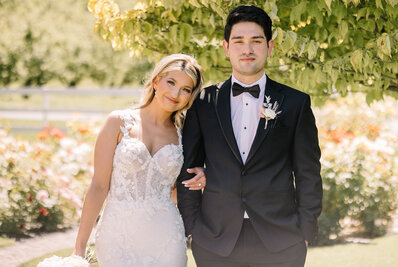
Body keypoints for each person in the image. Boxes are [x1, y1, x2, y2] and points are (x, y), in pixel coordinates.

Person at [177, 5, 322, 267]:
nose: (247, 49)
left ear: (270, 46)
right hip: (214, 240)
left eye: (256, 41)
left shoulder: (295, 103)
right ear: (226, 47)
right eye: (239, 41)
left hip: (281, 240)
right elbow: (188, 167)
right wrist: (193, 229)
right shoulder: (203, 102)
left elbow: (308, 172)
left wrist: (305, 230)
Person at [73, 54, 206, 266]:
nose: (175, 93)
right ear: (155, 81)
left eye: (186, 89)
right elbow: (99, 186)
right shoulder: (118, 122)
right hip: (117, 235)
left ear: (190, 96)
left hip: (166, 236)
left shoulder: (185, 135)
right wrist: (80, 246)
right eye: (170, 82)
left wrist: (203, 177)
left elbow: (177, 190)